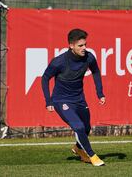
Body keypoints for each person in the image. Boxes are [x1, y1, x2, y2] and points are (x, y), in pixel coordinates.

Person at [41, 28, 106, 166]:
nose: (84, 48)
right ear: (71, 45)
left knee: (86, 128)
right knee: (79, 127)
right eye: (80, 45)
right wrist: (48, 100)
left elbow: (95, 71)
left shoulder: (89, 57)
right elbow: (45, 78)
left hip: (79, 99)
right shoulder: (59, 61)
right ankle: (93, 156)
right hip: (61, 100)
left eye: (85, 45)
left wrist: (100, 93)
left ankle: (78, 148)